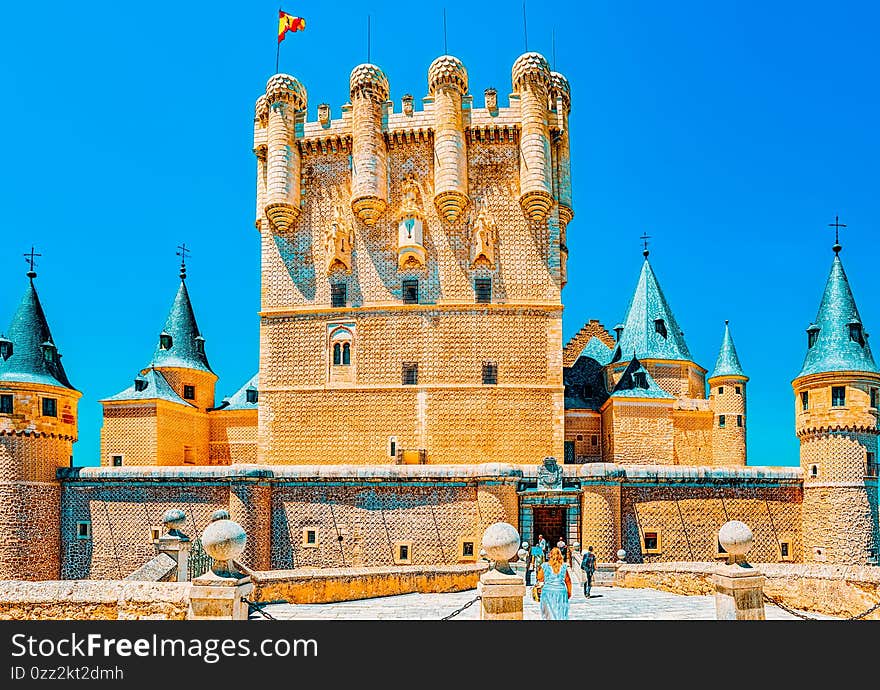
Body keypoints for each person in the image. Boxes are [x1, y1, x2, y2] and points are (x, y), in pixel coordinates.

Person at [535, 547, 571, 620]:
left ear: (550, 555)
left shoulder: (544, 565)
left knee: (548, 615)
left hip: (547, 592)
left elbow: (540, 578)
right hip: (561, 592)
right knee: (561, 614)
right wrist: (569, 592)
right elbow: (568, 580)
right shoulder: (563, 566)